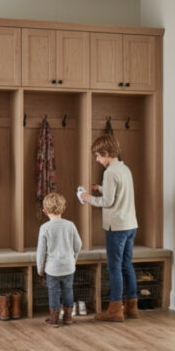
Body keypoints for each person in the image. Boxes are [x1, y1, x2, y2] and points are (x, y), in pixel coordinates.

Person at [78, 134, 138, 322]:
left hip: (116, 227)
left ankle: (115, 309)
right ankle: (131, 306)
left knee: (114, 267)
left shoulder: (110, 172)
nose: (96, 160)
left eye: (97, 156)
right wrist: (101, 188)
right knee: (127, 265)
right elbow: (119, 192)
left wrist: (88, 198)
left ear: (105, 153)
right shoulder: (124, 169)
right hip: (130, 225)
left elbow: (108, 201)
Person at [37, 192, 82, 327]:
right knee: (68, 290)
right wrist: (73, 260)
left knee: (54, 292)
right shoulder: (70, 225)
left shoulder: (45, 228)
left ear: (45, 211)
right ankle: (68, 317)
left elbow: (41, 252)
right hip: (69, 267)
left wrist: (40, 268)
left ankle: (54, 319)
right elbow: (78, 245)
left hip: (52, 269)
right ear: (64, 208)